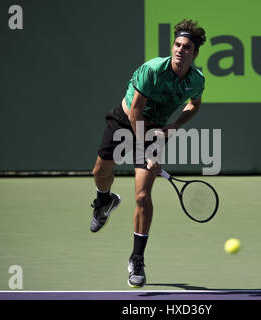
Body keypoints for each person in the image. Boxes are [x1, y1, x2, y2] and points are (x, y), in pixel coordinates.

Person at [90, 19, 206, 288]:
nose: (179, 50)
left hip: (155, 129)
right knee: (100, 172)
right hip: (125, 119)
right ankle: (104, 201)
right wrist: (145, 151)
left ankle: (137, 259)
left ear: (195, 53)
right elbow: (135, 112)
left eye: (186, 47)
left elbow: (194, 104)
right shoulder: (153, 70)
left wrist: (175, 125)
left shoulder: (196, 80)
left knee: (142, 195)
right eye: (177, 45)